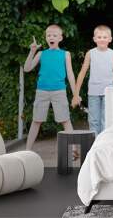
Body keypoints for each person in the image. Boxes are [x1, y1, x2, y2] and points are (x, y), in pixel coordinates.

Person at [24, 24, 78, 158]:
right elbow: (27, 68)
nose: (51, 37)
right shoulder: (41, 53)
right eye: (49, 35)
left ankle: (74, 151)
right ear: (46, 38)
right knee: (36, 120)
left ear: (60, 38)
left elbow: (70, 74)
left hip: (59, 91)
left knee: (65, 120)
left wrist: (75, 94)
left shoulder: (66, 54)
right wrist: (32, 51)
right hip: (41, 91)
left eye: (54, 35)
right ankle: (26, 151)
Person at [71, 25, 113, 135]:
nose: (102, 39)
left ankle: (104, 145)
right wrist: (76, 94)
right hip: (93, 92)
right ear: (94, 39)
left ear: (110, 39)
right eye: (99, 37)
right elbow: (82, 73)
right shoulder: (90, 53)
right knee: (93, 121)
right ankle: (95, 145)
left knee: (106, 121)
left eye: (104, 37)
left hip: (109, 92)